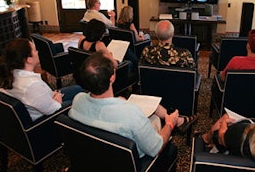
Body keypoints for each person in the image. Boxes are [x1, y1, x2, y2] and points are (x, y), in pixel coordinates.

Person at [69, 51, 198, 158]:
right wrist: (170, 123)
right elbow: (156, 148)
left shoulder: (77, 100)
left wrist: (118, 102)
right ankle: (178, 121)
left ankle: (181, 121)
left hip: (94, 155)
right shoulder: (131, 114)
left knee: (153, 108)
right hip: (130, 164)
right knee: (155, 117)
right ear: (112, 78)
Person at [0, 38, 84, 121]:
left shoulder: (12, 75)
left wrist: (52, 94)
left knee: (78, 89)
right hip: (47, 119)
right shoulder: (32, 84)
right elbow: (54, 109)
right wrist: (57, 98)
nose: (38, 52)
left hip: (41, 104)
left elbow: (38, 97)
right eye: (35, 50)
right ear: (29, 59)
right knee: (80, 97)